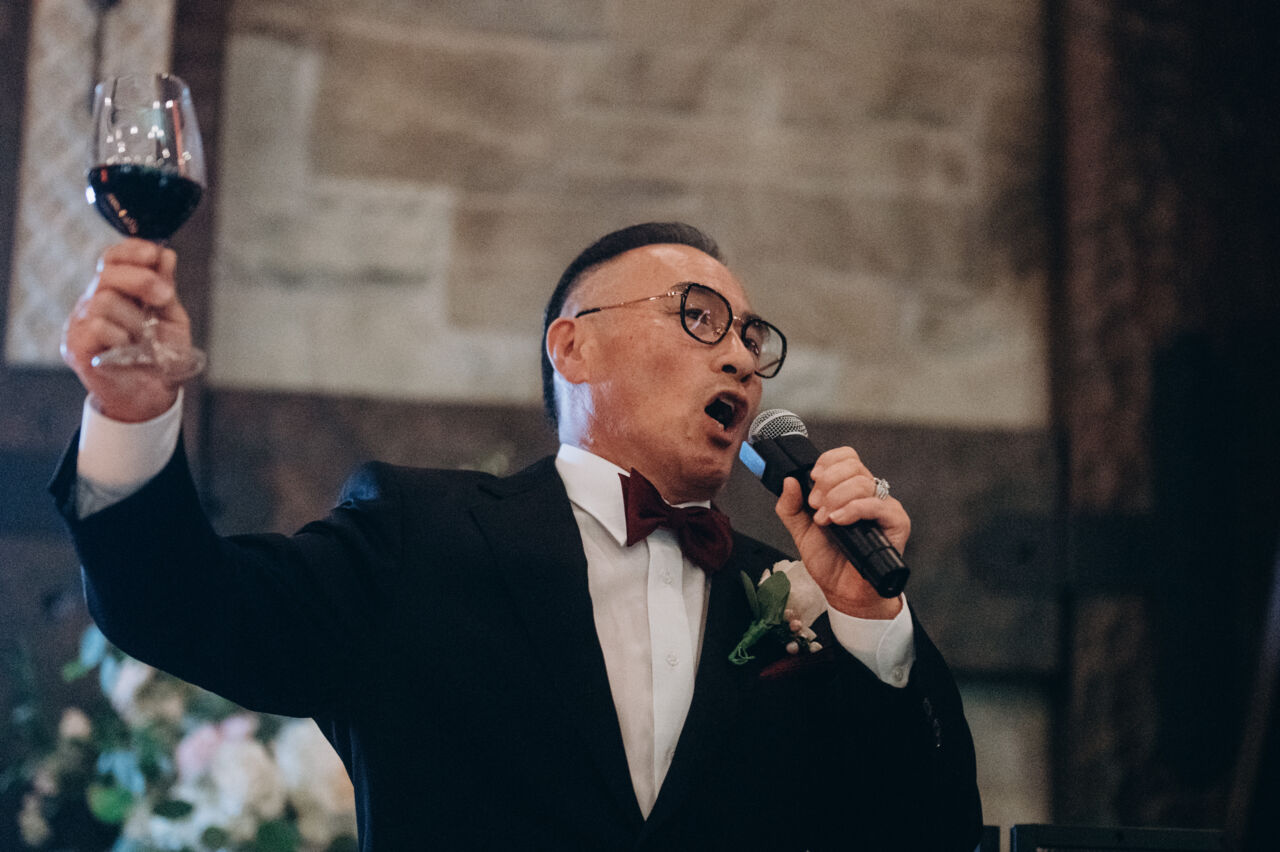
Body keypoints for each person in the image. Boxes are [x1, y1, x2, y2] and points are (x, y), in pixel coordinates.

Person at [53, 222, 982, 850]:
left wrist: (872, 621)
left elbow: (928, 832)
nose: (741, 356)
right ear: (573, 347)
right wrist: (132, 419)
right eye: (699, 316)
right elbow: (187, 608)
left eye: (752, 337)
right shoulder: (421, 537)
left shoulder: (795, 595)